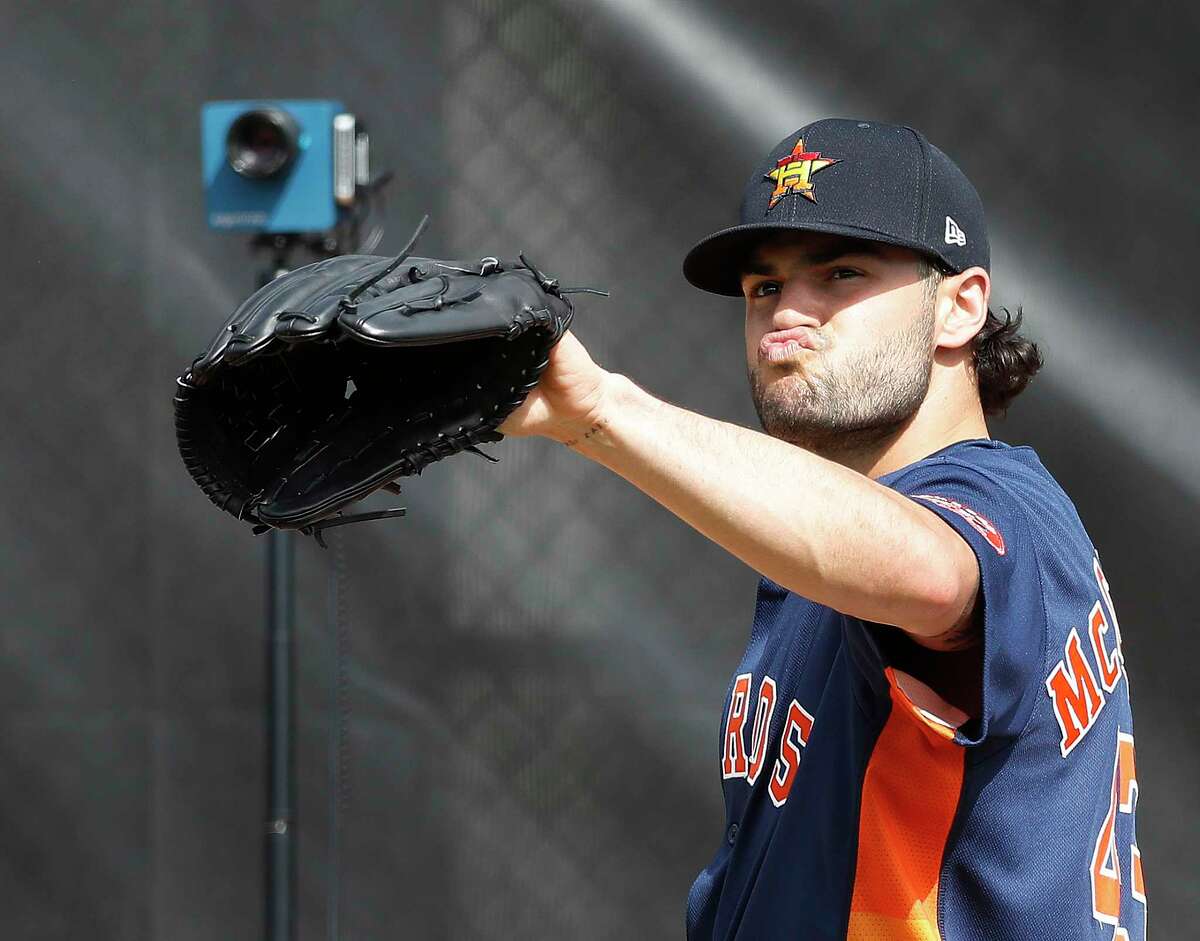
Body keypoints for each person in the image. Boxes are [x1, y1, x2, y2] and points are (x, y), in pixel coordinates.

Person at [498, 118, 1144, 940]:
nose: (786, 313)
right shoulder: (825, 551)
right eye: (764, 287)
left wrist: (600, 414)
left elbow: (932, 573)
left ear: (960, 306)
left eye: (840, 272)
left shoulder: (1002, 503)